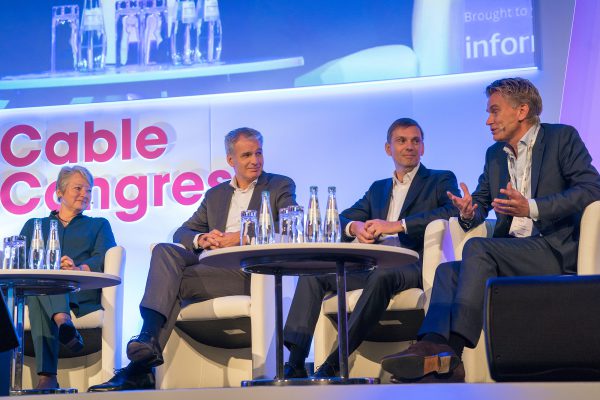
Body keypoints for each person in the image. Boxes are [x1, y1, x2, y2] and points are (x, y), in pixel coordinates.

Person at [380, 78, 600, 383]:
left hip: (552, 249)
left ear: (522, 110)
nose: (488, 120)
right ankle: (431, 344)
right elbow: (482, 202)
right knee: (448, 272)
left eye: (495, 111)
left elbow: (591, 188)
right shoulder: (495, 154)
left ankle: (451, 351)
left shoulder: (561, 138)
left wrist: (532, 208)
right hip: (511, 251)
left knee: (477, 248)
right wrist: (469, 212)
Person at [88, 127, 297, 392]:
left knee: (168, 284)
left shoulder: (279, 185)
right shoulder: (215, 195)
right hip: (210, 272)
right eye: (246, 155)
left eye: (258, 153)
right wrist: (202, 239)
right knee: (165, 250)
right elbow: (183, 231)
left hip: (251, 275)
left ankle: (139, 367)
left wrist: (242, 237)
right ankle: (148, 339)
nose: (255, 160)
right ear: (231, 160)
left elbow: (291, 226)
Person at [282, 118, 461, 379]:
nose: (409, 146)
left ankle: (336, 360)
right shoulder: (379, 188)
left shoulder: (440, 179)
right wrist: (354, 227)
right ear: (389, 149)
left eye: (415, 141)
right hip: (375, 264)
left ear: (423, 148)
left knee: (382, 276)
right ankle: (296, 362)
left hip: (412, 263)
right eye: (401, 141)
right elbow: (342, 217)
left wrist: (397, 225)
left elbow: (450, 210)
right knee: (315, 276)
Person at [21, 165, 116, 389]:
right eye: (78, 188)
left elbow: (104, 256)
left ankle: (47, 377)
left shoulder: (99, 225)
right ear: (59, 192)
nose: (85, 194)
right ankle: (63, 320)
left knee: (39, 293)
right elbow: (22, 261)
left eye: (89, 190)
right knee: (38, 288)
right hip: (40, 292)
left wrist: (78, 268)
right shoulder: (35, 225)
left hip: (79, 293)